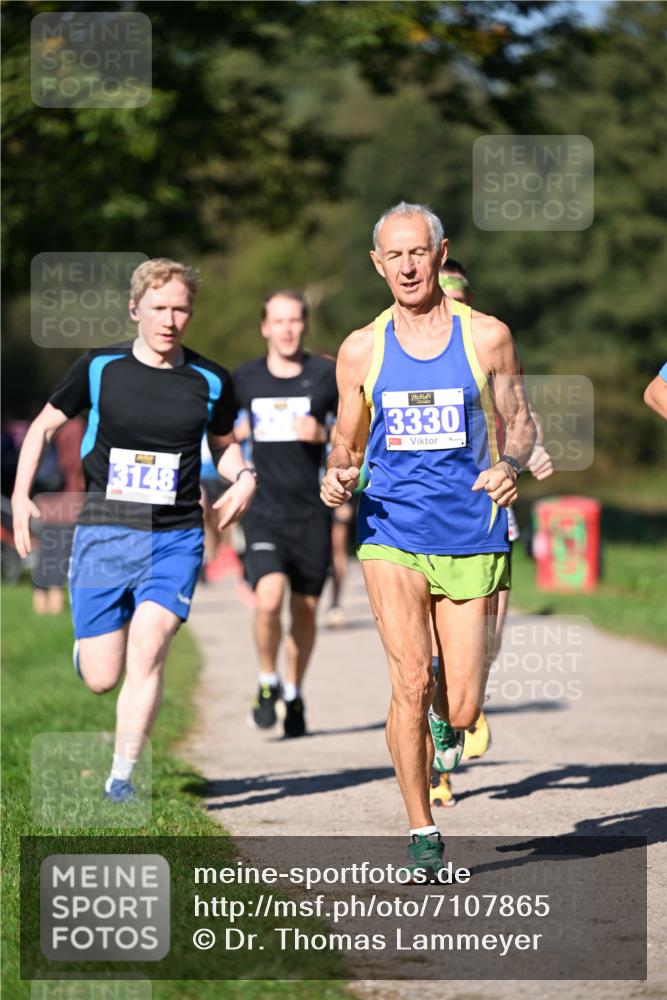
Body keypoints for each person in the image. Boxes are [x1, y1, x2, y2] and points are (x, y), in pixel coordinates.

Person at [321, 202, 536, 876]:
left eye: (419, 252)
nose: (408, 266)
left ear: (441, 255)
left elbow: (521, 424)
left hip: (471, 533)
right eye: (395, 255)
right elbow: (343, 442)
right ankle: (421, 829)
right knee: (410, 679)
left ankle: (448, 721)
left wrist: (509, 465)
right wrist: (337, 476)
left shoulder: (487, 337)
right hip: (392, 531)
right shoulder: (362, 347)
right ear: (376, 263)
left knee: (463, 704)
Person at [12, 258, 257, 802]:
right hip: (105, 529)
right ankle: (91, 650)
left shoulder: (212, 379)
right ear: (134, 309)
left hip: (175, 535)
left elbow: (225, 444)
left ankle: (121, 777)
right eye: (159, 308)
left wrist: (244, 476)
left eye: (180, 309)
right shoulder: (100, 367)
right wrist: (23, 493)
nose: (170, 319)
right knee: (103, 675)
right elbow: (44, 428)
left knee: (149, 648)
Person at [431, 259, 554, 808]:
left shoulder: (487, 341)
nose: (450, 300)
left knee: (485, 640)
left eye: (458, 292)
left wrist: (533, 450)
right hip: (429, 516)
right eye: (442, 292)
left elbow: (519, 413)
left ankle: (465, 705)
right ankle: (439, 764)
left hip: (489, 505)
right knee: (432, 650)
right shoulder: (410, 350)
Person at [234, 290, 338, 738]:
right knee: (269, 599)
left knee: (305, 611)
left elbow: (358, 431)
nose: (287, 328)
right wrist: (232, 438)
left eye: (294, 320)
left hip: (311, 512)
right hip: (263, 511)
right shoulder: (244, 380)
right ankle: (266, 680)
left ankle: (294, 693)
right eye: (278, 321)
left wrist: (325, 432)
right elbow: (219, 432)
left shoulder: (326, 376)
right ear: (264, 327)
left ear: (305, 325)